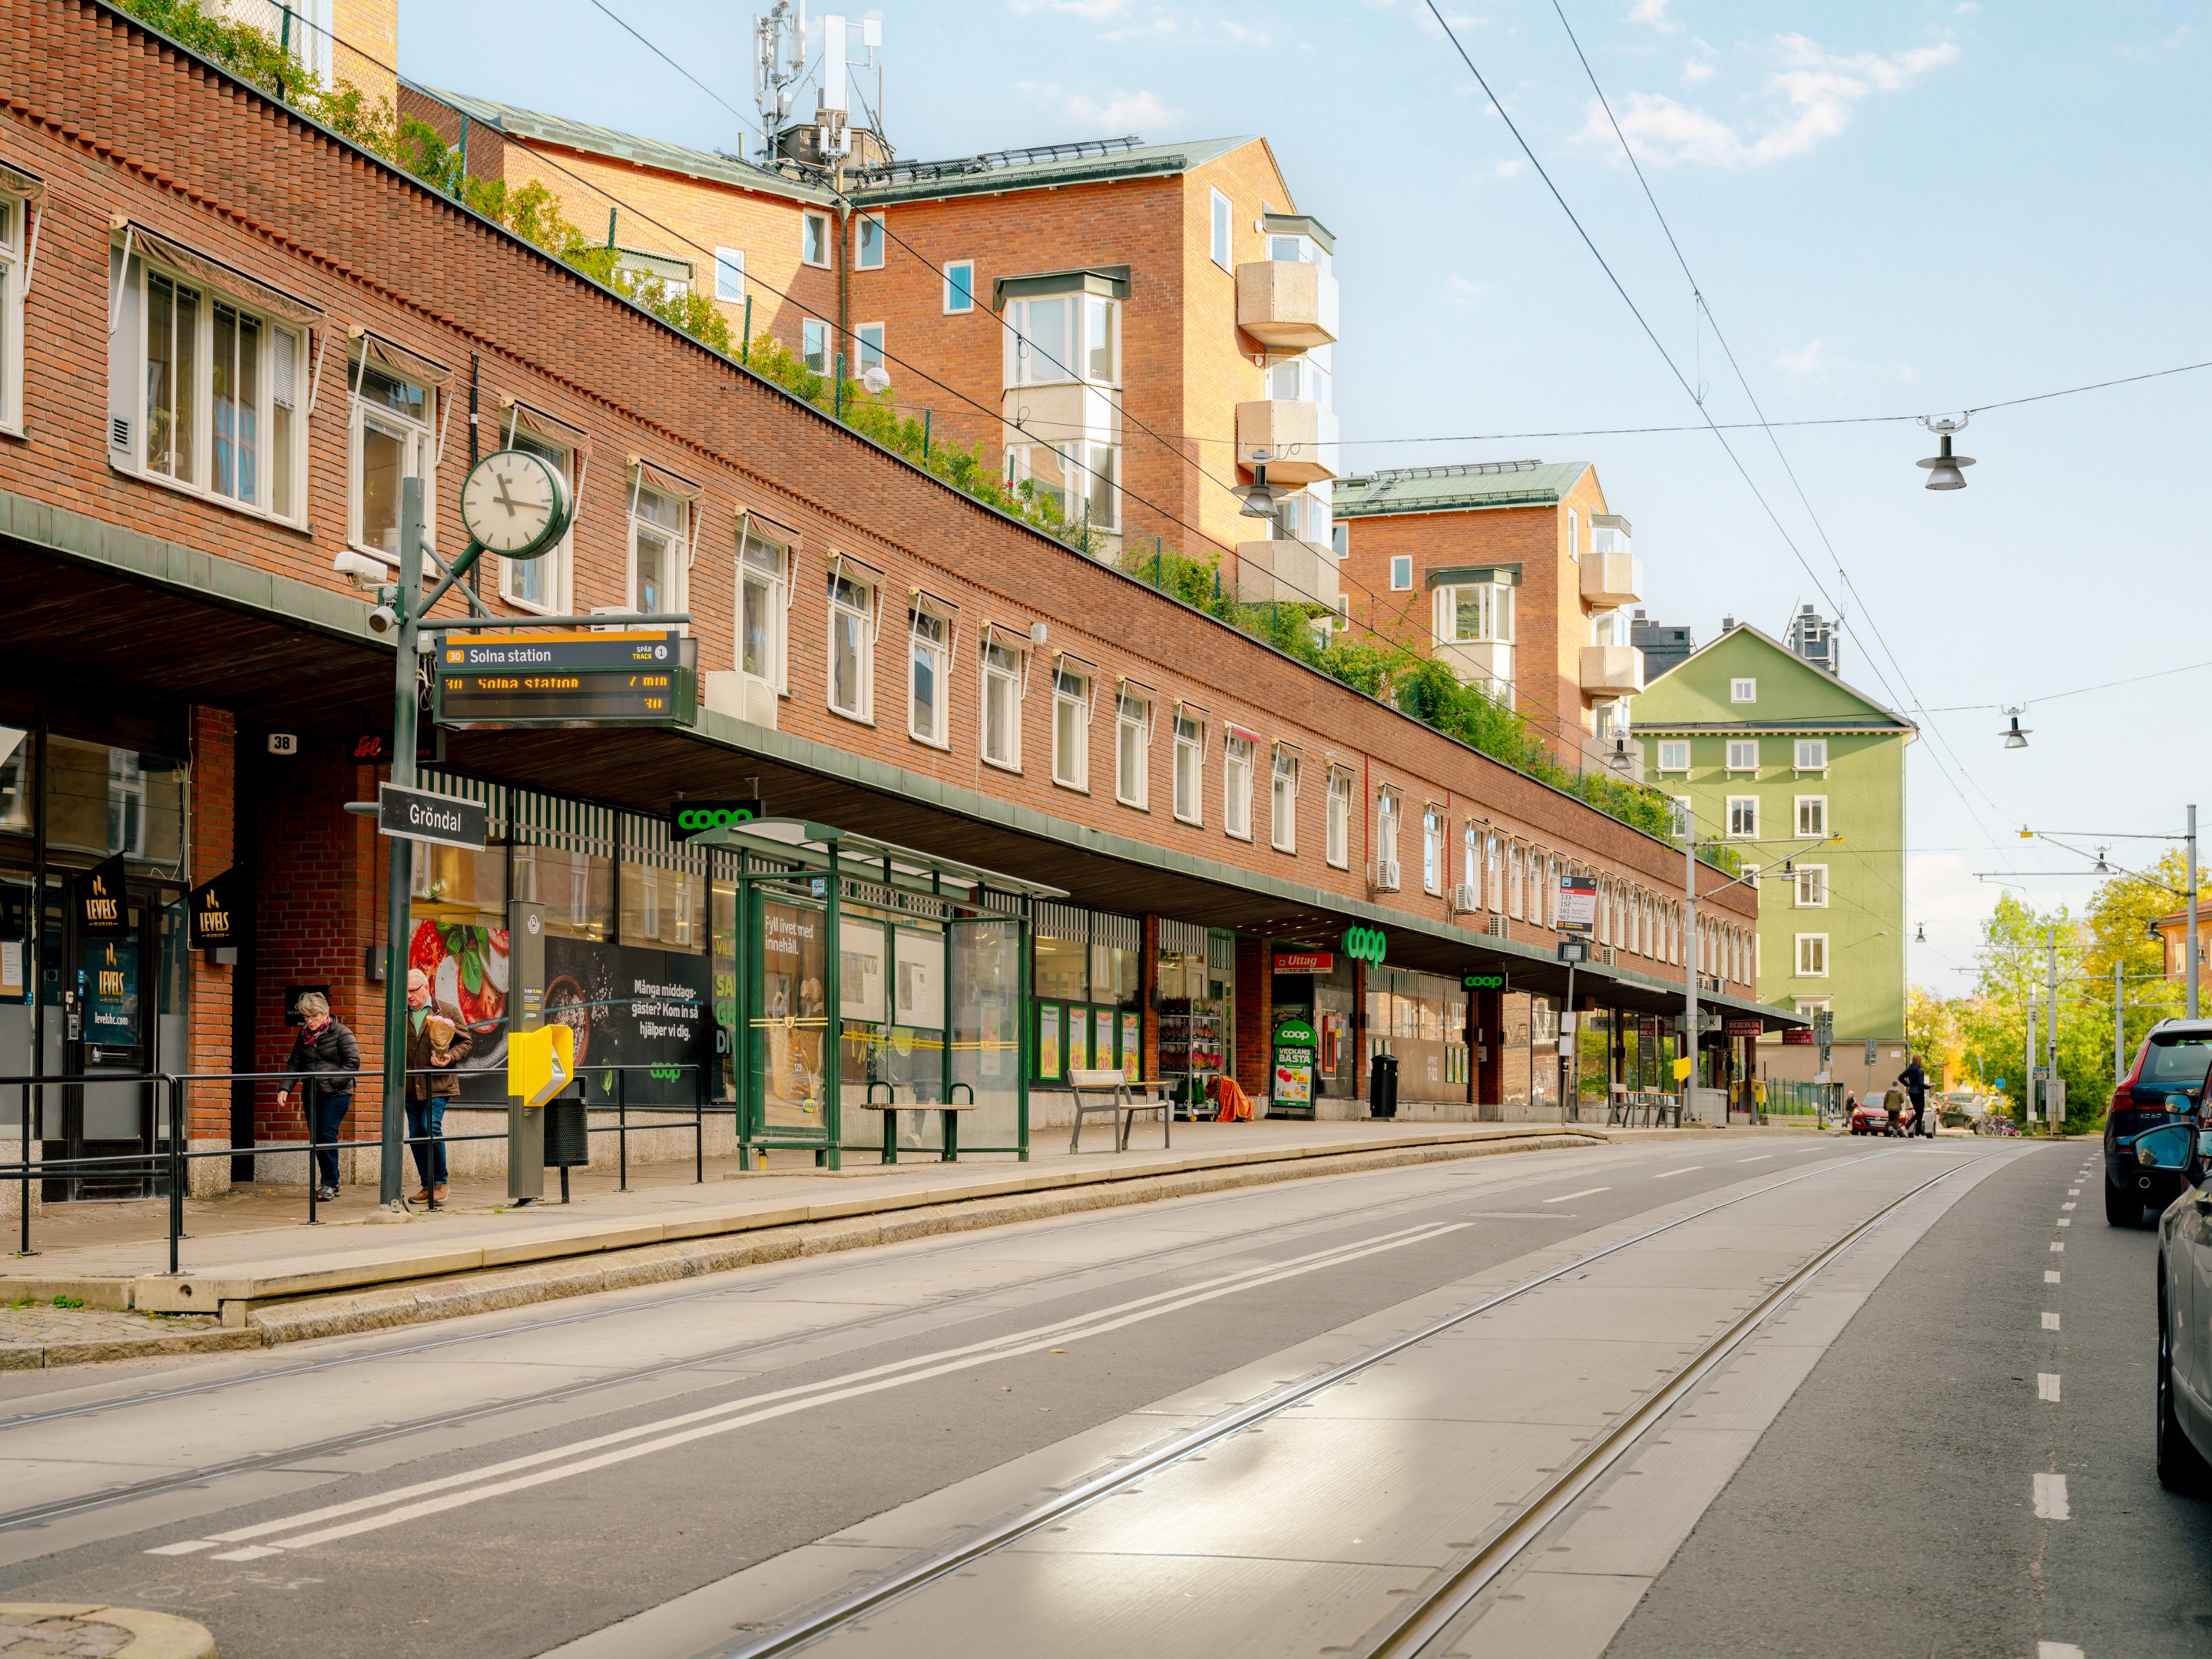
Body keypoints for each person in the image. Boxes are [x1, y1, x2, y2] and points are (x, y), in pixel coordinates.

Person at [276, 992, 360, 1200]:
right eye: (306, 1017)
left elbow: (353, 1063)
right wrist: (285, 1088)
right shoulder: (303, 1036)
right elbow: (295, 1063)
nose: (309, 1021)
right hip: (312, 1092)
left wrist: (330, 1083)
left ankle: (329, 1183)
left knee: (325, 1134)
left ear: (325, 1013)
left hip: (338, 1093)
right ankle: (333, 1182)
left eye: (313, 1016)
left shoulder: (342, 1033)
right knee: (317, 1138)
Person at [404, 967, 472, 1206]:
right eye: (406, 991)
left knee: (429, 1127)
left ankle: (441, 1183)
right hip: (411, 1085)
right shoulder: (401, 1012)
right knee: (415, 1136)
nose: (409, 995)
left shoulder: (447, 1010)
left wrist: (449, 1057)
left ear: (426, 988)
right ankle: (427, 1185)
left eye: (413, 990)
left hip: (438, 1083)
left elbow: (466, 1041)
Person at [1896, 1051, 1929, 1138]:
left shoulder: (1909, 1069)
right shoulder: (1920, 1071)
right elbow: (1921, 1085)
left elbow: (1900, 1077)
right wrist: (1929, 1086)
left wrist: (1908, 1085)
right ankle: (1915, 1133)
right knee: (1920, 1113)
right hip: (1918, 1094)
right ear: (1919, 1061)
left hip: (1911, 1093)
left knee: (1918, 1113)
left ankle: (1912, 1131)